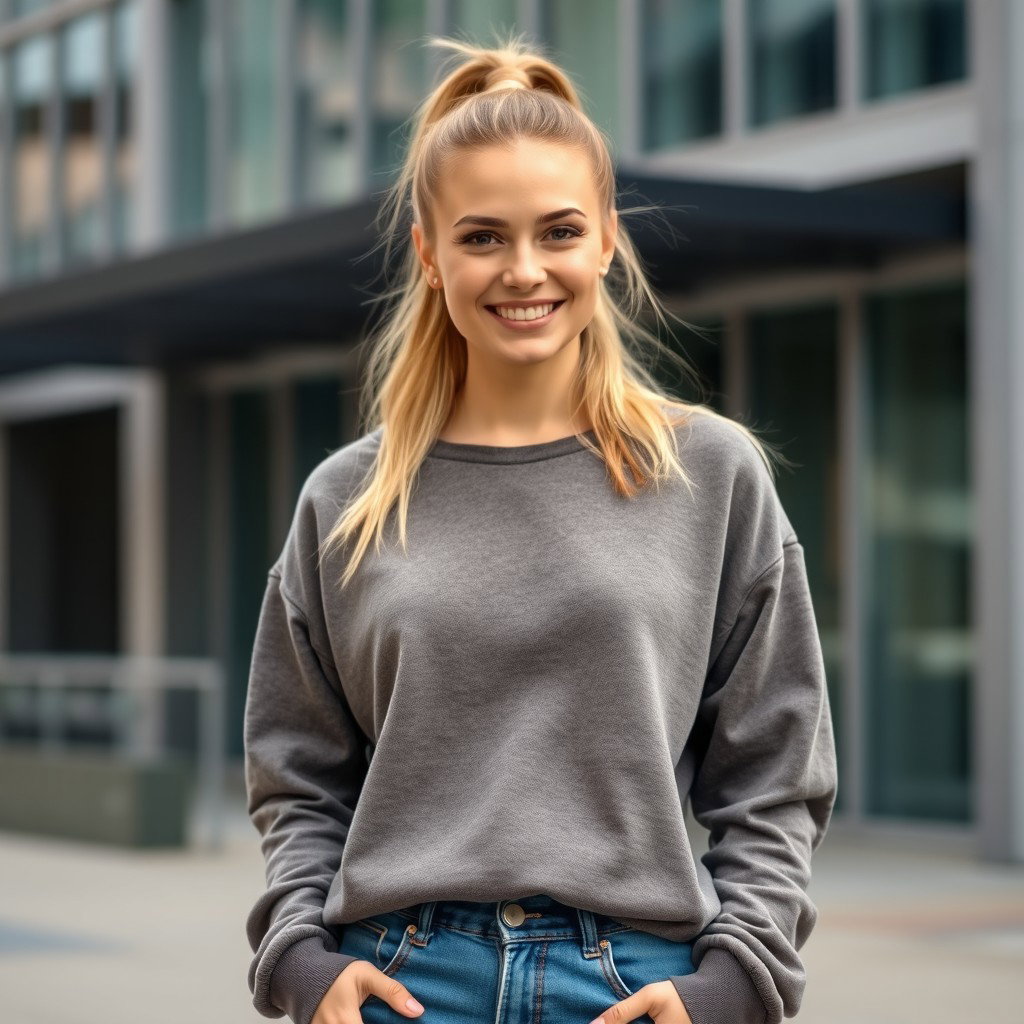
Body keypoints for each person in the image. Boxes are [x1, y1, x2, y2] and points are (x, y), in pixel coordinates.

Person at [244, 31, 838, 1024]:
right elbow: (295, 775)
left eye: (557, 231)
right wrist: (300, 965)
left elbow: (776, 774)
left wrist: (734, 985)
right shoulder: (345, 499)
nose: (524, 270)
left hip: (633, 987)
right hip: (399, 983)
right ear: (430, 255)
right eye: (482, 237)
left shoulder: (710, 473)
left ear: (606, 238)